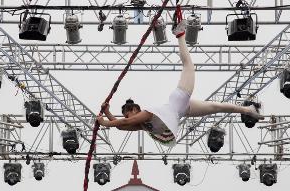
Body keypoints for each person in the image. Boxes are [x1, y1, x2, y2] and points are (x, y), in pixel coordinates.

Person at [97, 20, 264, 147]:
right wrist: (108, 113)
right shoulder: (142, 125)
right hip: (182, 110)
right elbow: (120, 126)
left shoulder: (146, 114)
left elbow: (123, 123)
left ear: (134, 110)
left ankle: (180, 35)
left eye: (127, 114)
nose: (127, 117)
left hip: (179, 99)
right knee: (216, 107)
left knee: (188, 65)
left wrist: (105, 122)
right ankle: (247, 110)